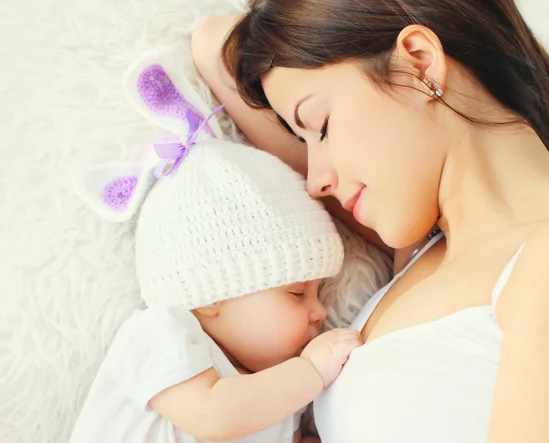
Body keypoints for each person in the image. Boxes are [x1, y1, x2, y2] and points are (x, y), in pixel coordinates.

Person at [191, 1, 549, 442]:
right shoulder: (425, 248)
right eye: (303, 139)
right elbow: (213, 44)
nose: (314, 181)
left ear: (419, 64)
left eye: (321, 126)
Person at [69, 52, 362, 443]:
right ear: (210, 295)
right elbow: (215, 418)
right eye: (296, 293)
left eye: (316, 292)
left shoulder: (275, 393)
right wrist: (312, 371)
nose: (320, 311)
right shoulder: (161, 334)